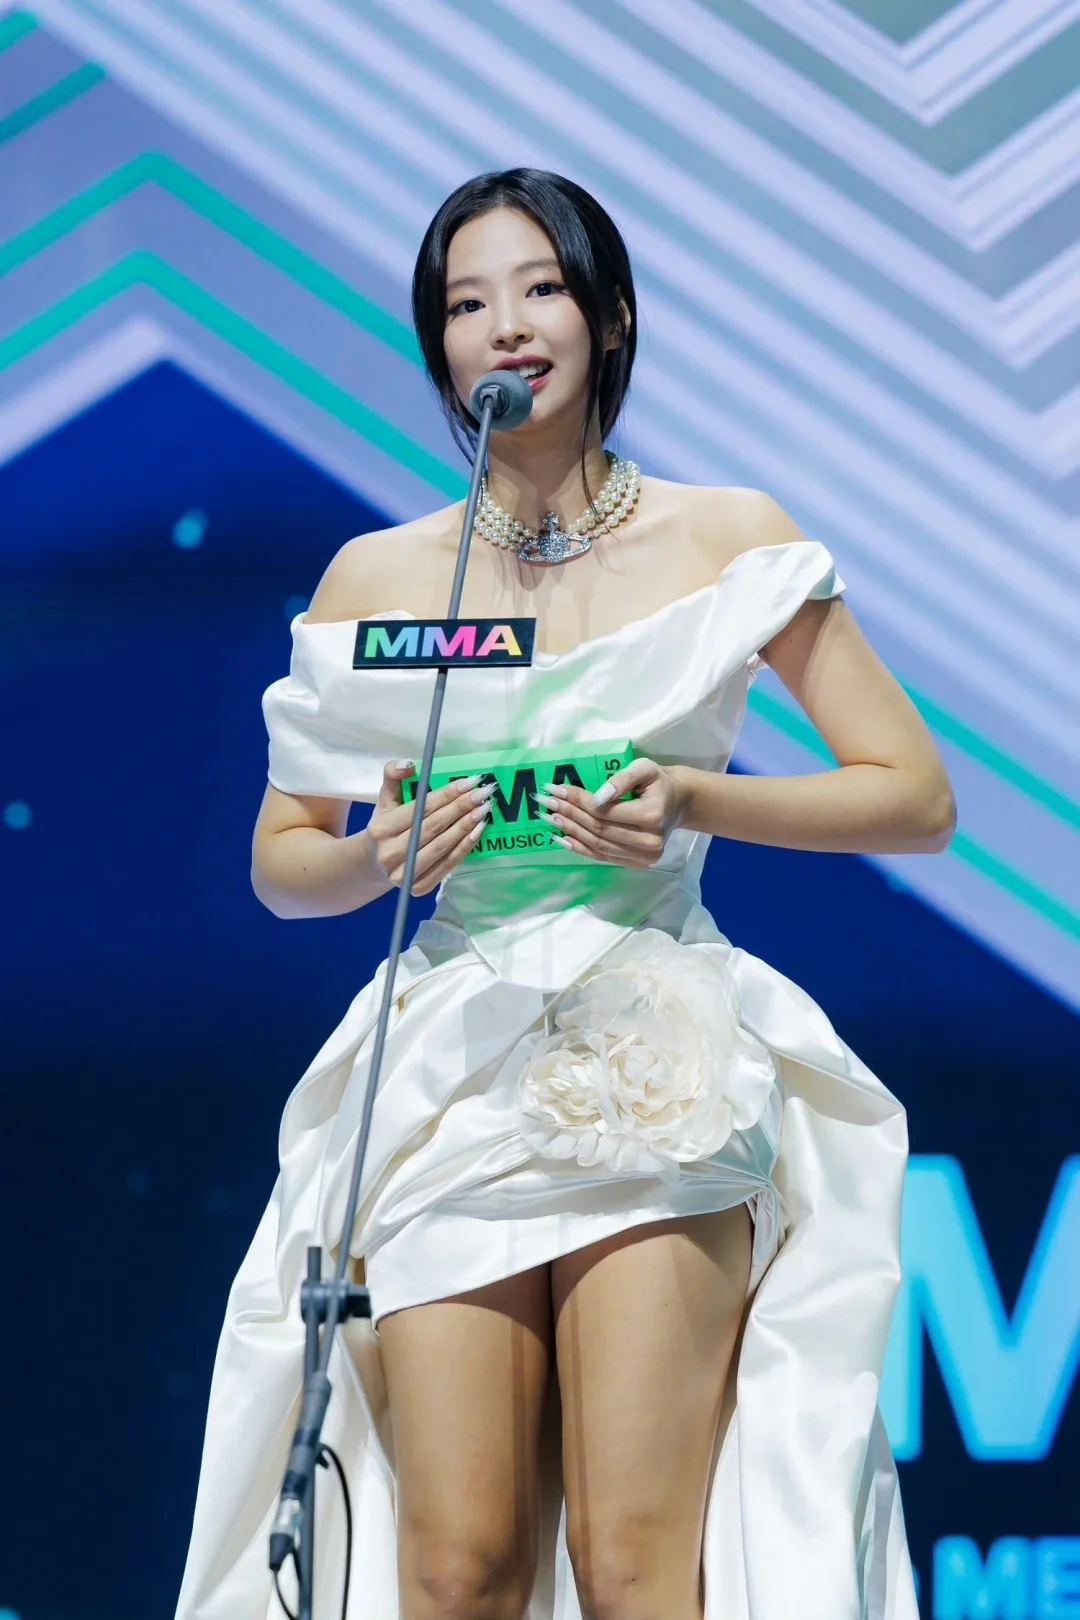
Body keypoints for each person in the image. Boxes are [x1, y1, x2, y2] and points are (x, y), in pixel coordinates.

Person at [176, 169, 954, 1620]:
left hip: (654, 1055)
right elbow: (284, 859)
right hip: (450, 1069)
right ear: (440, 348)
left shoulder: (725, 539)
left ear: (610, 317)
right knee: (457, 1562)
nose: (507, 327)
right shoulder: (382, 576)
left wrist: (695, 800)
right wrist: (377, 857)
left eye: (539, 290)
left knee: (629, 1559)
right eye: (467, 304)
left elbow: (913, 794)